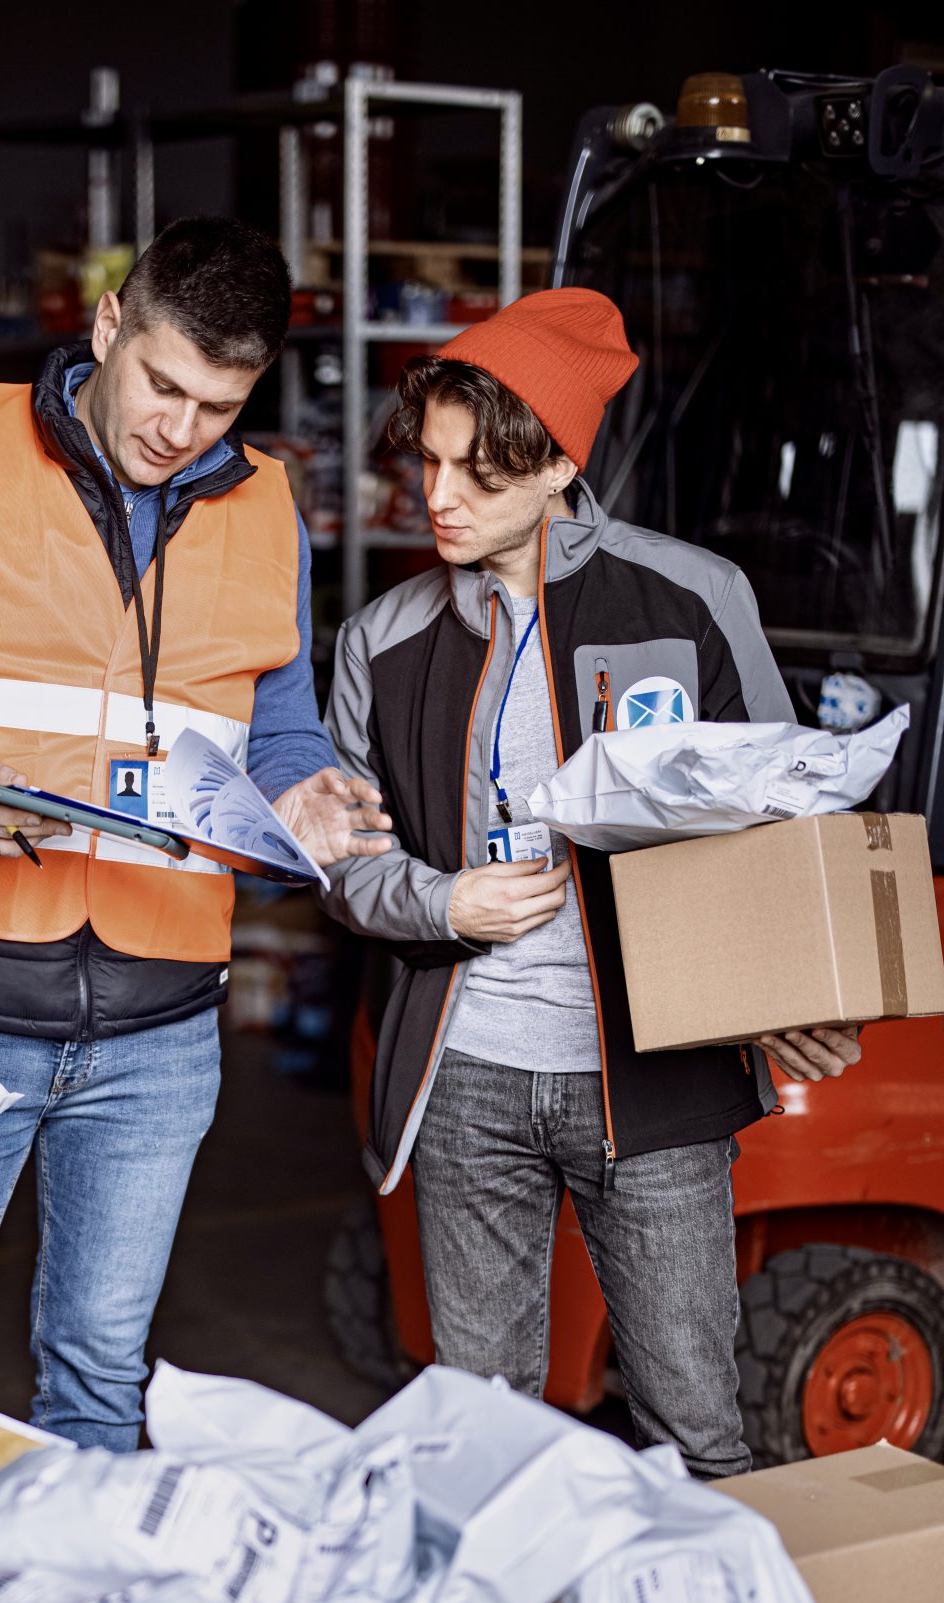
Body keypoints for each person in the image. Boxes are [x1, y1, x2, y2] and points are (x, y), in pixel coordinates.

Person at [0, 216, 386, 1448]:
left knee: (104, 1379)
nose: (180, 428)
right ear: (109, 325)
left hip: (160, 1033)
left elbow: (272, 727)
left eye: (218, 405)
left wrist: (308, 785)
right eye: (162, 383)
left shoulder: (267, 509)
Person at [323, 288, 860, 1477]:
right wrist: (439, 903)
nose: (439, 498)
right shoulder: (381, 640)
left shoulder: (690, 599)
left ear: (560, 464)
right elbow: (343, 864)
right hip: (462, 1084)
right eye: (428, 462)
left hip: (654, 1083)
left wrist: (795, 988)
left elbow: (783, 814)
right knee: (483, 1435)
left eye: (476, 472)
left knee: (694, 1424)